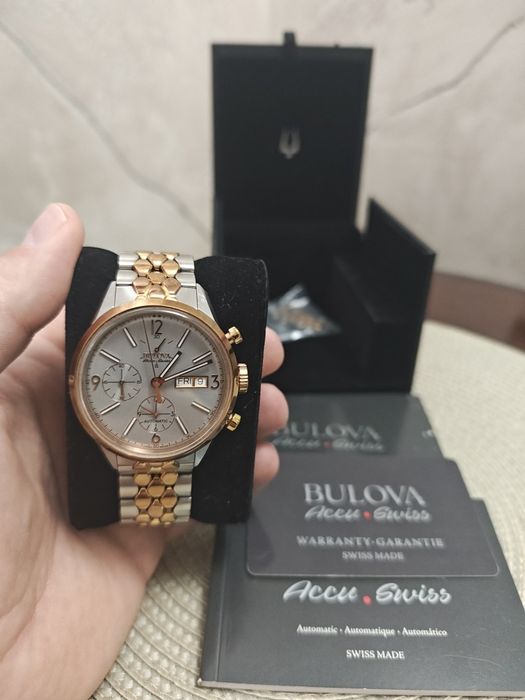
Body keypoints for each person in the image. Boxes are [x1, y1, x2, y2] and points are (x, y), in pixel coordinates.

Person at [0, 203, 288, 700]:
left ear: (234, 381)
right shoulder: (108, 321)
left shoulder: (215, 370)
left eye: (162, 382)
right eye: (152, 382)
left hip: (180, 441)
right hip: (119, 443)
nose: (156, 385)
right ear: (78, 379)